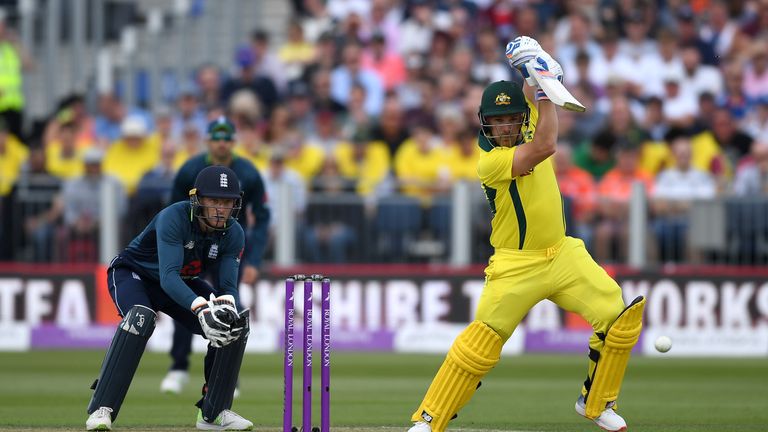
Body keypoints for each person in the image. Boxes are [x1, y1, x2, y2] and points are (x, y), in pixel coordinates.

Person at [406, 37, 644, 432]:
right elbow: (547, 144)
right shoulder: (492, 161)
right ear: (486, 123)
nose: (504, 127)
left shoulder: (527, 121)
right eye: (496, 121)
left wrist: (531, 65)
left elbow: (534, 103)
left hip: (565, 254)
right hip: (516, 265)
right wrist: (544, 87)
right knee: (479, 346)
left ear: (520, 118)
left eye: (511, 119)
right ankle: (428, 420)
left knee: (618, 317)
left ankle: (596, 402)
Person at [85, 165, 253, 431]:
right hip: (135, 275)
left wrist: (226, 307)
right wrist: (199, 307)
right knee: (141, 317)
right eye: (214, 201)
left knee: (233, 323)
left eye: (227, 202)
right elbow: (169, 276)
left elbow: (228, 288)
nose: (222, 209)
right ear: (198, 199)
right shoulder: (173, 217)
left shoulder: (233, 233)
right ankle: (100, 409)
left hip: (179, 283)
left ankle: (214, 413)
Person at [160, 117, 269, 394]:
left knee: (230, 303)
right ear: (208, 140)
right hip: (191, 246)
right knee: (187, 303)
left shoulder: (249, 172)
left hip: (229, 247)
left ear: (234, 142)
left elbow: (263, 216)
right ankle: (178, 367)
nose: (222, 143)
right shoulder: (190, 169)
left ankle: (228, 376)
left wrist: (254, 260)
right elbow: (173, 212)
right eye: (216, 138)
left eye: (227, 138)